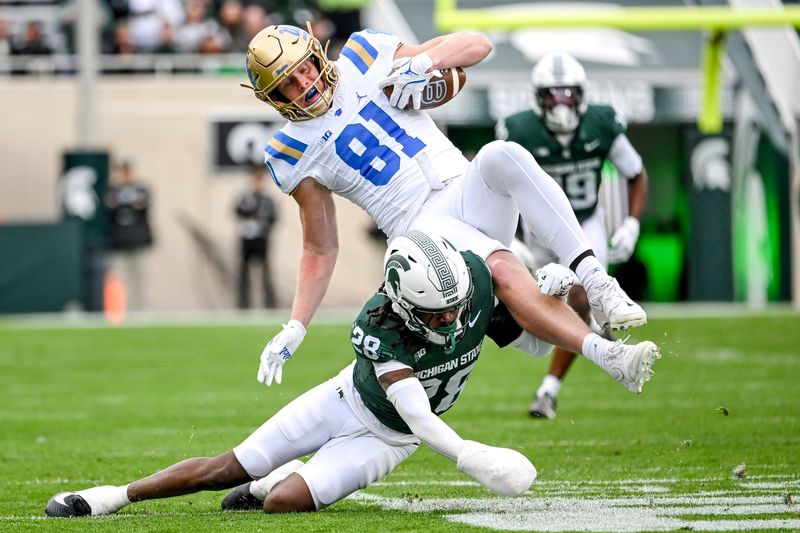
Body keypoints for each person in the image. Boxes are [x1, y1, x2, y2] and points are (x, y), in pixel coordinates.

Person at [239, 24, 656, 394]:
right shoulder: (290, 151)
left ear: (317, 55)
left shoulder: (364, 56)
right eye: (288, 84)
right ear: (274, 98)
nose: (305, 83)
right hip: (419, 229)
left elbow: (477, 45)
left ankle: (596, 282)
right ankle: (609, 355)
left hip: (464, 187)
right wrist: (296, 325)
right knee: (505, 277)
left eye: (305, 68)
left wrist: (423, 63)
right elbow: (320, 247)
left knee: (501, 154)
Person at [45, 230, 581, 518]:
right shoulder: (378, 324)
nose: (453, 320)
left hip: (388, 440)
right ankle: (114, 495)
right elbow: (418, 414)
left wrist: (547, 298)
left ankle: (272, 482)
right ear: (402, 304)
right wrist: (470, 456)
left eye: (456, 306)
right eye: (437, 314)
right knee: (226, 468)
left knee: (281, 504)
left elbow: (536, 347)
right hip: (350, 400)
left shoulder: (473, 284)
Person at [496, 52, 650, 419]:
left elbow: (636, 174)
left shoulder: (601, 124)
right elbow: (498, 186)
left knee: (578, 297)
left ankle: (548, 389)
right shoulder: (519, 131)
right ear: (538, 98)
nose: (560, 102)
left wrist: (632, 223)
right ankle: (594, 330)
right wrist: (507, 236)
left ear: (582, 95)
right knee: (532, 307)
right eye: (551, 94)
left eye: (567, 93)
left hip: (584, 225)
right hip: (536, 232)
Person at [104, 159, 154, 311]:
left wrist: (125, 199)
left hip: (138, 242)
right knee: (118, 279)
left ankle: (141, 309)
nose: (125, 175)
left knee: (140, 279)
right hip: (118, 244)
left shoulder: (140, 189)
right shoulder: (112, 190)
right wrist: (123, 199)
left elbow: (141, 204)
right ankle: (120, 310)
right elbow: (110, 205)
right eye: (122, 171)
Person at [235, 165, 278, 309]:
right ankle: (243, 303)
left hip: (261, 239)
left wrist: (262, 221)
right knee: (243, 271)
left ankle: (269, 303)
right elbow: (237, 212)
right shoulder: (245, 198)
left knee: (265, 271)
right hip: (246, 239)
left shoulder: (268, 200)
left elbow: (273, 218)